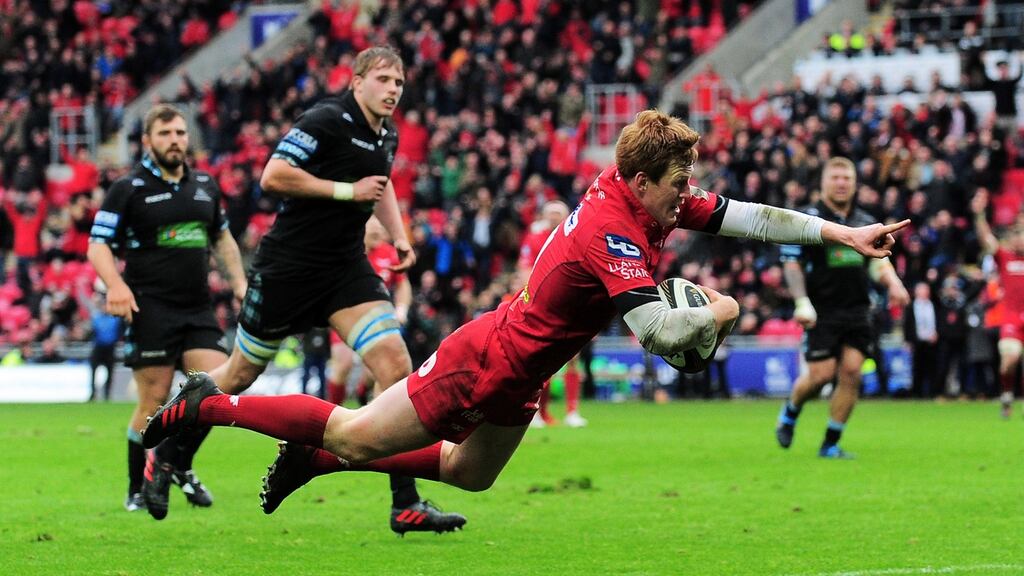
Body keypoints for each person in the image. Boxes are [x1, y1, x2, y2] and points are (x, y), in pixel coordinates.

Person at [143, 110, 907, 523]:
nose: (688, 197)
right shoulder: (613, 232)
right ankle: (210, 403)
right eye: (678, 185)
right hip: (489, 359)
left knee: (465, 476)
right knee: (348, 430)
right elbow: (662, 339)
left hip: (524, 369)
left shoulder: (642, 192)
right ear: (639, 180)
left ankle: (310, 461)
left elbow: (746, 216)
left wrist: (843, 233)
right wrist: (726, 311)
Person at [201, 46, 465, 535]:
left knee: (396, 366)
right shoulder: (325, 120)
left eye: (399, 83)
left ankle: (404, 503)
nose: (392, 90)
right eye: (383, 79)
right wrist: (345, 191)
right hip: (288, 269)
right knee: (237, 375)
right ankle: (173, 442)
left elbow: (379, 188)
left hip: (344, 269)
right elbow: (273, 175)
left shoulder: (386, 134)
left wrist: (401, 236)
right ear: (356, 80)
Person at [87, 104, 247, 517]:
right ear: (148, 141)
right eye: (165, 134)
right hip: (150, 309)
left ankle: (177, 464)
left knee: (217, 389)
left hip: (197, 309)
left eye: (179, 133)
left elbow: (224, 240)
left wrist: (240, 284)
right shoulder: (128, 188)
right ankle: (136, 488)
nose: (175, 140)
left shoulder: (206, 187)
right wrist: (116, 285)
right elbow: (97, 244)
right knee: (153, 401)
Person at [775, 157, 910, 459]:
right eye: (835, 177)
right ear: (823, 182)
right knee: (821, 376)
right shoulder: (807, 221)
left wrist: (895, 285)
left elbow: (880, 263)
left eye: (846, 178)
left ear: (854, 183)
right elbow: (792, 264)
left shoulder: (865, 220)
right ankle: (790, 411)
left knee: (852, 373)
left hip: (858, 309)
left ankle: (830, 443)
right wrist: (801, 301)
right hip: (821, 310)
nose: (841, 183)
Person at [326, 216, 413, 407]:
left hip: (378, 320)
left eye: (380, 229)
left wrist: (402, 309)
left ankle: (365, 399)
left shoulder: (389, 254)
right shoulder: (346, 254)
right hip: (345, 317)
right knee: (343, 364)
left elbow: (403, 284)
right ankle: (332, 414)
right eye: (373, 230)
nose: (378, 233)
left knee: (377, 372)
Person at [517, 200, 587, 428]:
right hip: (543, 304)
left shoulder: (576, 236)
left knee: (573, 358)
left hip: (570, 303)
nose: (555, 216)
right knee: (541, 359)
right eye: (551, 213)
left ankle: (572, 411)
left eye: (559, 213)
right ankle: (537, 412)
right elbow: (526, 271)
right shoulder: (535, 239)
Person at [972, 191, 1024, 418]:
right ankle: (1006, 396)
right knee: (1008, 363)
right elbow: (986, 239)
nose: (1021, 239)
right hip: (1012, 317)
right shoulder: (1005, 257)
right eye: (1017, 235)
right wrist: (979, 215)